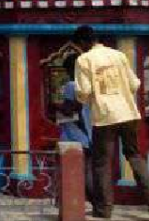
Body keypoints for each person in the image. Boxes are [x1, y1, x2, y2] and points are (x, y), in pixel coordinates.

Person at [73, 25, 149, 218]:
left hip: (104, 117)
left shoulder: (84, 59)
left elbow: (83, 92)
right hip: (127, 113)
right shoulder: (118, 55)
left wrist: (85, 98)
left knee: (101, 163)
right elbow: (135, 84)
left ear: (83, 43)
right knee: (133, 154)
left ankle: (104, 209)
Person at [58, 54, 94, 200]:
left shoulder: (71, 85)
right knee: (89, 171)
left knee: (76, 173)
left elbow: (69, 109)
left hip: (75, 135)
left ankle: (77, 201)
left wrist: (57, 108)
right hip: (91, 135)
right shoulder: (90, 85)